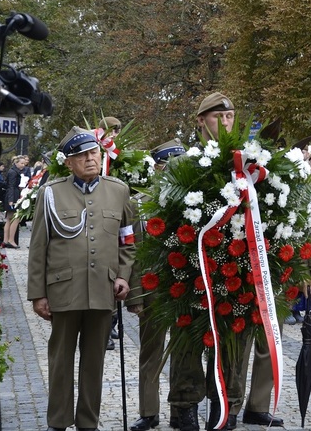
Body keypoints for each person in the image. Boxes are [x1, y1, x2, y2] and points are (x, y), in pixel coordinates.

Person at [170, 92, 283, 430]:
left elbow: (269, 215)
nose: (226, 122)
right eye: (218, 116)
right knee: (190, 340)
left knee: (236, 338)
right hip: (193, 268)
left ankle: (228, 406)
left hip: (239, 267)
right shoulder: (183, 163)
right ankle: (184, 406)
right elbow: (170, 220)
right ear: (201, 121)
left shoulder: (250, 164)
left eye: (231, 115)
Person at [27, 127, 135, 431]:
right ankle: (58, 422)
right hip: (64, 290)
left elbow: (128, 241)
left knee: (94, 363)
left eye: (94, 153)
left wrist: (124, 276)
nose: (90, 159)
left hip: (103, 289)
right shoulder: (51, 192)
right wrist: (38, 293)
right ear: (69, 162)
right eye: (82, 155)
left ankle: (88, 422)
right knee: (60, 360)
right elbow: (38, 246)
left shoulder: (119, 190)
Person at [127, 139, 186, 431]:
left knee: (183, 351)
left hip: (186, 288)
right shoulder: (140, 203)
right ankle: (149, 411)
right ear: (158, 167)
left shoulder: (192, 200)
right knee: (151, 351)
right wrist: (135, 294)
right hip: (152, 288)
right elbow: (133, 251)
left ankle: (181, 409)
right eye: (169, 165)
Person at [3, 155, 30, 248]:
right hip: (13, 196)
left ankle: (6, 240)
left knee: (9, 219)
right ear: (16, 163)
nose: (23, 165)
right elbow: (11, 186)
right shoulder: (13, 172)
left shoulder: (13, 171)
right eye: (21, 163)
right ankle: (10, 240)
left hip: (12, 195)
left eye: (24, 163)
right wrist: (11, 200)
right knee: (16, 218)